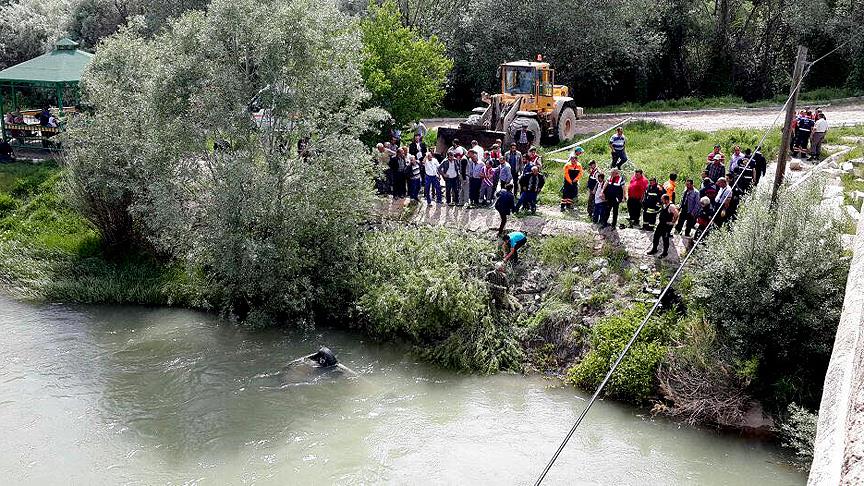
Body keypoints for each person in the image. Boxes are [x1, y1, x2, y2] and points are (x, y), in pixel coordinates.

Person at [647, 194, 679, 258]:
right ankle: (654, 249)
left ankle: (665, 253)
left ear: (666, 200)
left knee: (665, 239)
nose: (661, 201)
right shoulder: (664, 204)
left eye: (662, 199)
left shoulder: (671, 206)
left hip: (666, 226)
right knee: (656, 236)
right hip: (661, 224)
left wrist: (672, 222)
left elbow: (676, 214)